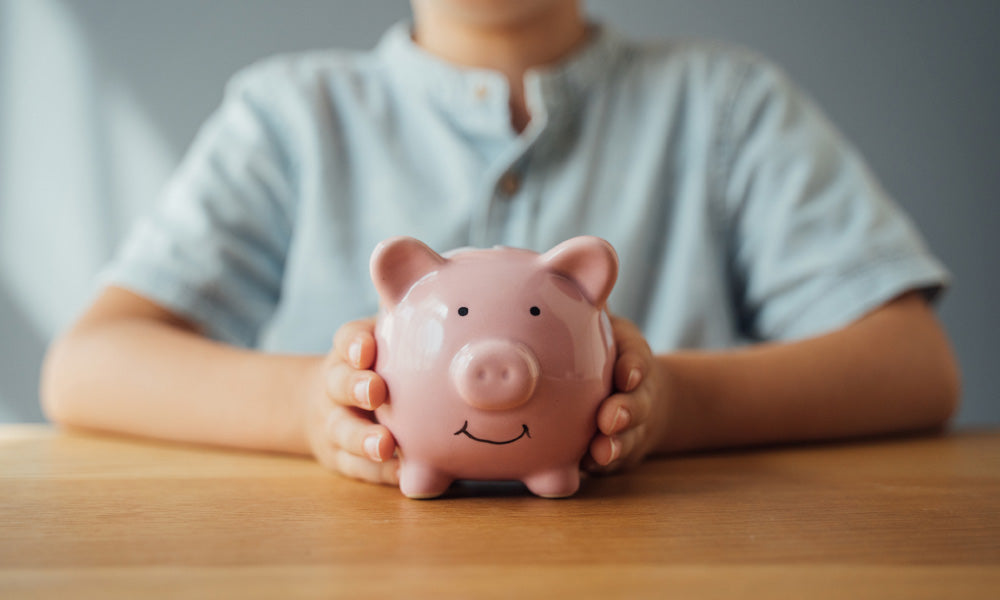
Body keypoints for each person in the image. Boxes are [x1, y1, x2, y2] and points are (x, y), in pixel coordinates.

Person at [40, 0, 960, 487]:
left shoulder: (727, 105)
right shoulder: (289, 116)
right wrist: (313, 411)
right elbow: (88, 366)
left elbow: (914, 364)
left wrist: (673, 405)